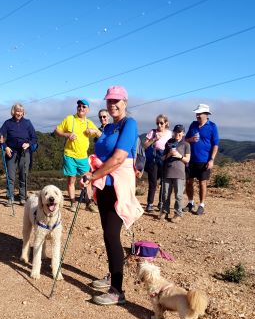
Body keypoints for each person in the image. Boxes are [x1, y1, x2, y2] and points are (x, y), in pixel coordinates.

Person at [81, 85, 143, 306]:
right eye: (109, 101)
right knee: (108, 234)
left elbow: (118, 158)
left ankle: (118, 291)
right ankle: (112, 275)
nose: (113, 104)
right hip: (104, 186)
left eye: (117, 101)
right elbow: (101, 154)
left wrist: (94, 175)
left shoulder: (129, 124)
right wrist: (91, 173)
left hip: (118, 187)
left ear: (125, 102)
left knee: (111, 235)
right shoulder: (108, 127)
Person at [54, 98, 101, 212]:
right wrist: (67, 134)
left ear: (88, 110)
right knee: (71, 180)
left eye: (84, 106)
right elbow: (57, 131)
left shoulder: (89, 123)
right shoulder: (69, 119)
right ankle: (73, 203)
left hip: (83, 157)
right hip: (69, 155)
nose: (81, 108)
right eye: (79, 106)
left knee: (87, 180)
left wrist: (94, 132)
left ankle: (89, 203)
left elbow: (101, 135)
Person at [0, 103, 38, 206]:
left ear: (23, 112)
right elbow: (0, 136)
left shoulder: (28, 123)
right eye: (17, 111)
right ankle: (10, 198)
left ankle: (22, 198)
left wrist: (28, 144)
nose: (19, 113)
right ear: (13, 112)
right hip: (11, 152)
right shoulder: (7, 123)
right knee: (10, 176)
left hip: (25, 153)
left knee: (23, 176)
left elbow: (34, 138)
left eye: (21, 111)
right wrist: (5, 147)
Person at [185, 103, 219, 215]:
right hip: (191, 159)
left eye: (200, 114)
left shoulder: (212, 126)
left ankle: (201, 205)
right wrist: (191, 139)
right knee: (189, 182)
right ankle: (190, 203)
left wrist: (212, 159)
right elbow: (186, 139)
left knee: (202, 183)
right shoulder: (193, 125)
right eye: (197, 114)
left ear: (206, 114)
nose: (197, 116)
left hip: (204, 160)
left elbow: (215, 145)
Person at [160, 124, 191, 222]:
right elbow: (162, 158)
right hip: (168, 172)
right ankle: (164, 212)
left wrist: (179, 156)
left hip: (180, 173)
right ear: (173, 132)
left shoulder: (186, 144)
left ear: (183, 133)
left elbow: (187, 160)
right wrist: (169, 153)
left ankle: (178, 214)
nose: (178, 134)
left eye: (180, 132)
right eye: (176, 131)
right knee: (165, 194)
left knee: (178, 195)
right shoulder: (169, 142)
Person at [143, 114, 172, 212]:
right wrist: (154, 139)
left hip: (165, 158)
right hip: (154, 159)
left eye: (161, 123)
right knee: (153, 182)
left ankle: (161, 203)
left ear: (166, 123)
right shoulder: (152, 132)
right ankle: (150, 204)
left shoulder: (170, 134)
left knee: (164, 181)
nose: (159, 125)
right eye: (157, 123)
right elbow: (145, 145)